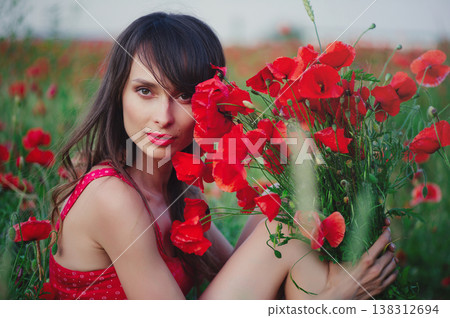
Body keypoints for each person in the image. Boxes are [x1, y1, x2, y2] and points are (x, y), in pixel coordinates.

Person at [48, 12, 397, 300]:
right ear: (118, 95)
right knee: (282, 232)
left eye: (184, 96)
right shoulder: (113, 197)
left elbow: (251, 278)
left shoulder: (174, 190)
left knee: (272, 223)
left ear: (210, 103)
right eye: (145, 91)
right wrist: (332, 300)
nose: (164, 117)